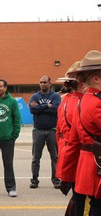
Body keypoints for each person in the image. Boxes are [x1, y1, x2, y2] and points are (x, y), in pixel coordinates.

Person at [60, 50, 101, 215]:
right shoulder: (95, 103)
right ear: (96, 78)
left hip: (88, 169)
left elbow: (73, 143)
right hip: (96, 171)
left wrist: (67, 176)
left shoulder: (82, 101)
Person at [55, 62, 88, 215]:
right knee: (82, 200)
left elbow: (58, 132)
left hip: (67, 150)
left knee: (78, 197)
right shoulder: (81, 102)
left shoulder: (65, 100)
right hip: (78, 154)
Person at [29, 75, 61, 189]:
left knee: (55, 157)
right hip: (38, 131)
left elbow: (56, 110)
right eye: (41, 82)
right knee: (36, 157)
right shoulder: (35, 96)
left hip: (52, 130)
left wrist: (40, 107)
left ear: (50, 83)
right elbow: (32, 110)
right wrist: (47, 106)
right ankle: (34, 179)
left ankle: (56, 179)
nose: (43, 84)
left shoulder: (56, 96)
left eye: (45, 82)